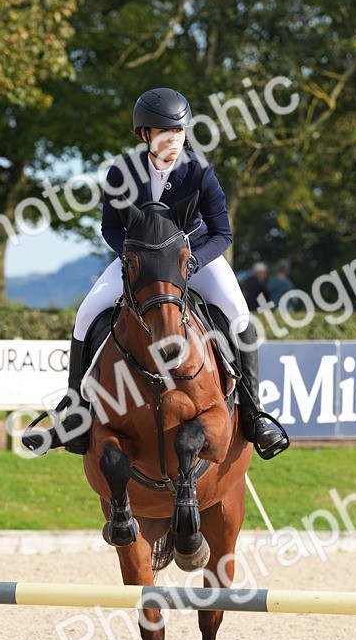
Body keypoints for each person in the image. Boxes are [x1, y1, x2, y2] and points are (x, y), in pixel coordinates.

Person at [24, 86, 289, 459]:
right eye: (165, 133)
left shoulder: (199, 171)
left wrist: (192, 260)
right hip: (142, 263)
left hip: (194, 259)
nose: (173, 140)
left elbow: (222, 233)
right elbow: (111, 228)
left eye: (179, 132)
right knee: (86, 314)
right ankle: (77, 414)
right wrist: (135, 259)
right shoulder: (122, 172)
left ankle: (253, 413)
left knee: (237, 311)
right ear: (145, 134)